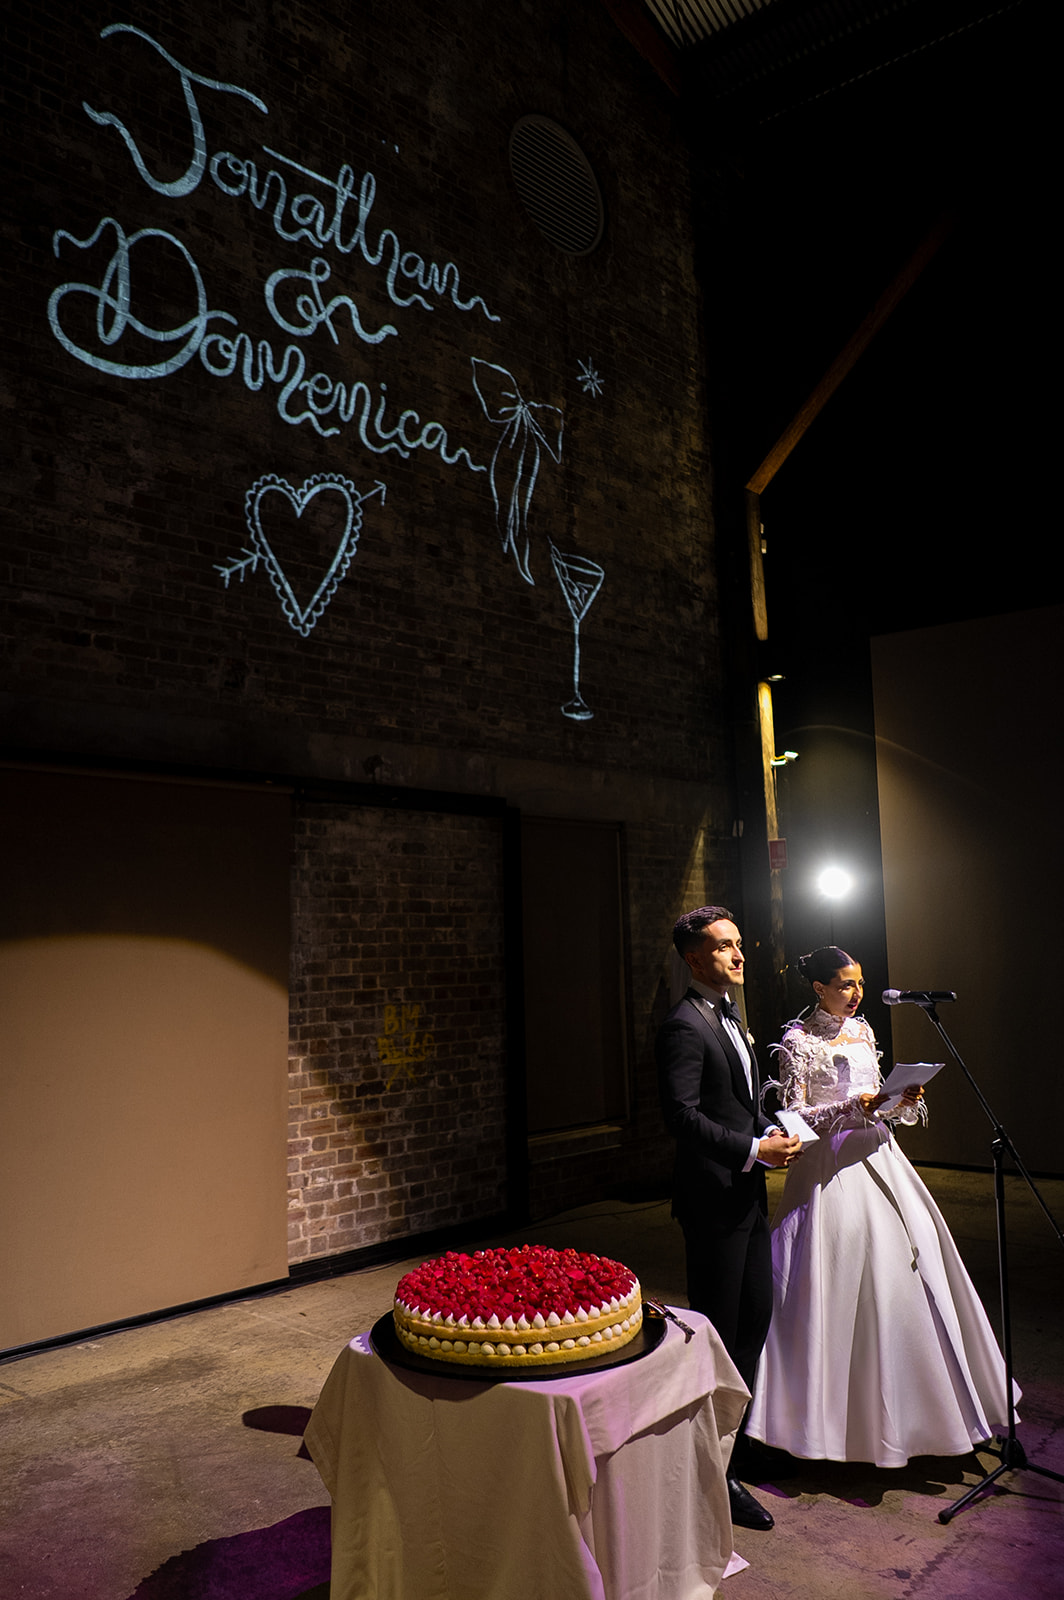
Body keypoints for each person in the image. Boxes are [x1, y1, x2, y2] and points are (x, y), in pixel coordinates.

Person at [745, 946, 1015, 1468]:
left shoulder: (864, 1032)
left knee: (911, 1265)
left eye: (860, 984)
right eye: (845, 985)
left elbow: (880, 1104)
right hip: (829, 1168)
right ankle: (821, 1423)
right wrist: (855, 1106)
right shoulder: (798, 1041)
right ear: (819, 988)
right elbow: (796, 1115)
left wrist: (899, 1102)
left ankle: (927, 1410)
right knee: (835, 1272)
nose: (856, 994)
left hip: (880, 1156)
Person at [656, 905, 801, 1531]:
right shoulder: (684, 1026)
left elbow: (738, 1105)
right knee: (718, 1335)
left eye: (739, 943)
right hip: (713, 1199)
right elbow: (682, 1116)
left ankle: (735, 1449)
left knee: (753, 1323)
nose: (739, 955)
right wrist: (752, 1150)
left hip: (745, 1195)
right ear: (695, 958)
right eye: (723, 947)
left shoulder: (731, 1016)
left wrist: (769, 1130)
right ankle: (712, 1473)